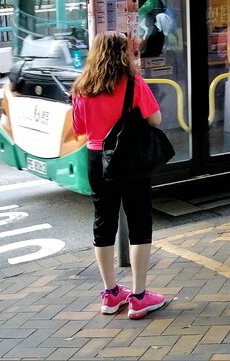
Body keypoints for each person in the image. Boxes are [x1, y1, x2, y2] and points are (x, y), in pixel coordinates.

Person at [70, 32, 168, 320]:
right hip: (130, 159)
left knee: (104, 222)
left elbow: (79, 128)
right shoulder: (133, 83)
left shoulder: (82, 87)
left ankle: (111, 294)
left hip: (97, 159)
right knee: (140, 221)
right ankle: (139, 297)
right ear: (123, 53)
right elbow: (156, 120)